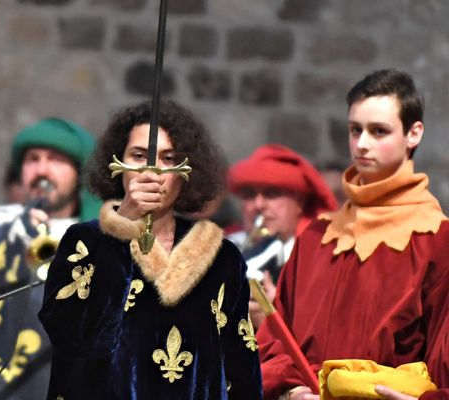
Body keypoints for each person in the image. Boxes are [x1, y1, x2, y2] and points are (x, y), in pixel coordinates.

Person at [38, 100, 263, 399]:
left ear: (187, 170)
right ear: (118, 164)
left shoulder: (223, 257)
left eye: (168, 158)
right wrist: (122, 228)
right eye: (139, 155)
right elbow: (74, 339)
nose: (152, 170)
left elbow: (241, 366)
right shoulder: (84, 243)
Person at [256, 69, 449, 399]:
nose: (362, 144)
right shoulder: (316, 237)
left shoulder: (438, 242)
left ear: (414, 133)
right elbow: (274, 342)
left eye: (378, 131)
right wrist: (291, 391)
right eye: (355, 130)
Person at [0, 117, 102, 400]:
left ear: (80, 173)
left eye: (56, 160)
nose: (42, 170)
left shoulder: (98, 236)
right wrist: (15, 236)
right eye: (32, 159)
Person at [227, 145, 337, 328]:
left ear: (299, 202)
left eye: (271, 194)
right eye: (249, 195)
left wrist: (273, 320)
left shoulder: (318, 259)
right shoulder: (223, 246)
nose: (259, 204)